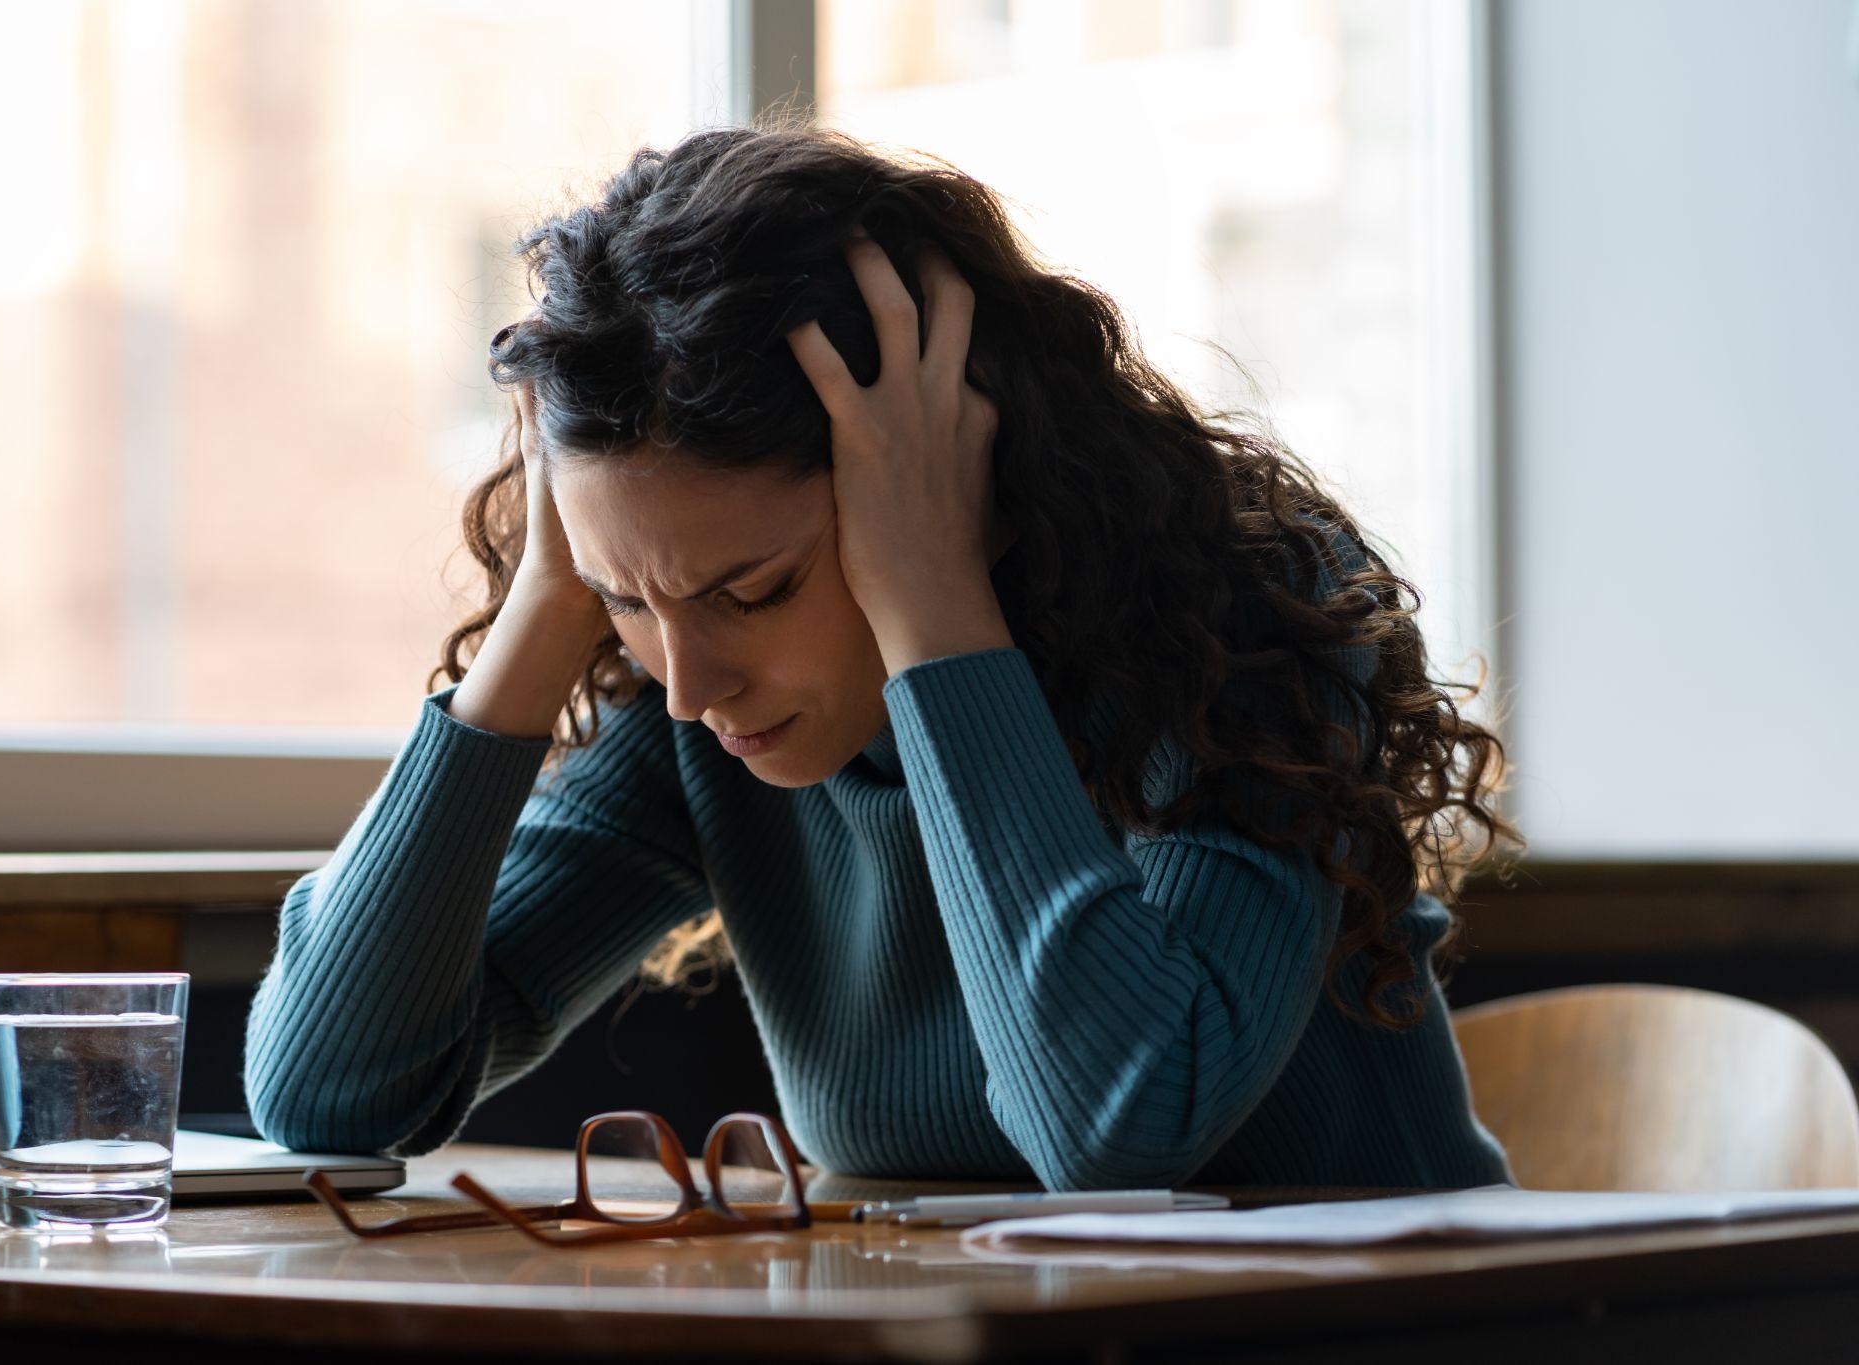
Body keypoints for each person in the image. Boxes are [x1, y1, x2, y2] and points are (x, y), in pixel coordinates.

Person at [243, 119, 1524, 1191]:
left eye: (755, 589)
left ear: (948, 483)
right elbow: (327, 1093)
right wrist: (546, 605)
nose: (689, 687)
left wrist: (933, 609)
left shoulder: (1239, 623)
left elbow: (1115, 1131)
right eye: (628, 601)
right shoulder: (691, 703)